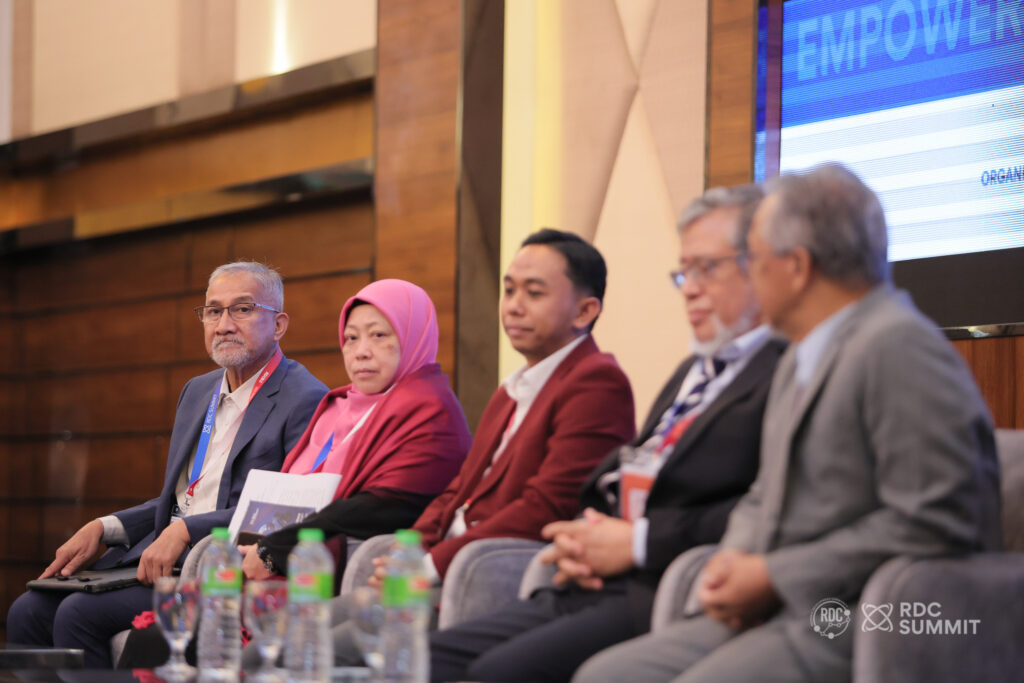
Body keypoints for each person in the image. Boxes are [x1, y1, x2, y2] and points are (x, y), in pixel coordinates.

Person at [574, 163, 1002, 683]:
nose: (749, 275)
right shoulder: (800, 353)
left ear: (797, 266)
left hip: (860, 618)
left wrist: (775, 575)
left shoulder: (898, 346)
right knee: (605, 674)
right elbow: (765, 494)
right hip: (785, 608)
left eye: (753, 259)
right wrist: (733, 559)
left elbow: (936, 522)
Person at [429, 185, 787, 682]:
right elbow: (621, 474)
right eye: (685, 272)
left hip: (662, 584)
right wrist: (586, 535)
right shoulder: (694, 370)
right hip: (589, 575)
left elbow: (763, 506)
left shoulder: (786, 372)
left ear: (764, 268)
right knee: (429, 657)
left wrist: (635, 543)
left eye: (708, 268)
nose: (689, 288)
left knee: (496, 672)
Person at [116, 278, 473, 669]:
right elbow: (285, 491)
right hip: (270, 559)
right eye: (351, 338)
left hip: (321, 572)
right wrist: (252, 544)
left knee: (170, 640)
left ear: (413, 336)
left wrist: (275, 549)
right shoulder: (341, 404)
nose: (361, 351)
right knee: (152, 635)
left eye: (379, 335)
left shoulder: (428, 410)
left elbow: (386, 505)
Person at [334, 228, 636, 663]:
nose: (513, 306)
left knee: (322, 653)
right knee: (295, 642)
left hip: (484, 575)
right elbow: (459, 490)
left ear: (585, 310)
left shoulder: (596, 382)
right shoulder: (511, 390)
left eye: (534, 293)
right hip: (441, 570)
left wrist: (428, 566)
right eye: (509, 290)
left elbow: (548, 505)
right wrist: (409, 550)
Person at [6, 261, 328, 668]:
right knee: (27, 611)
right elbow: (180, 498)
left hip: (221, 568)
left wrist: (186, 530)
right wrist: (103, 527)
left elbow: (285, 512)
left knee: (77, 614)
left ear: (279, 325)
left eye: (242, 309)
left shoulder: (305, 398)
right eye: (213, 311)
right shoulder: (197, 391)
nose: (224, 325)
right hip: (161, 557)